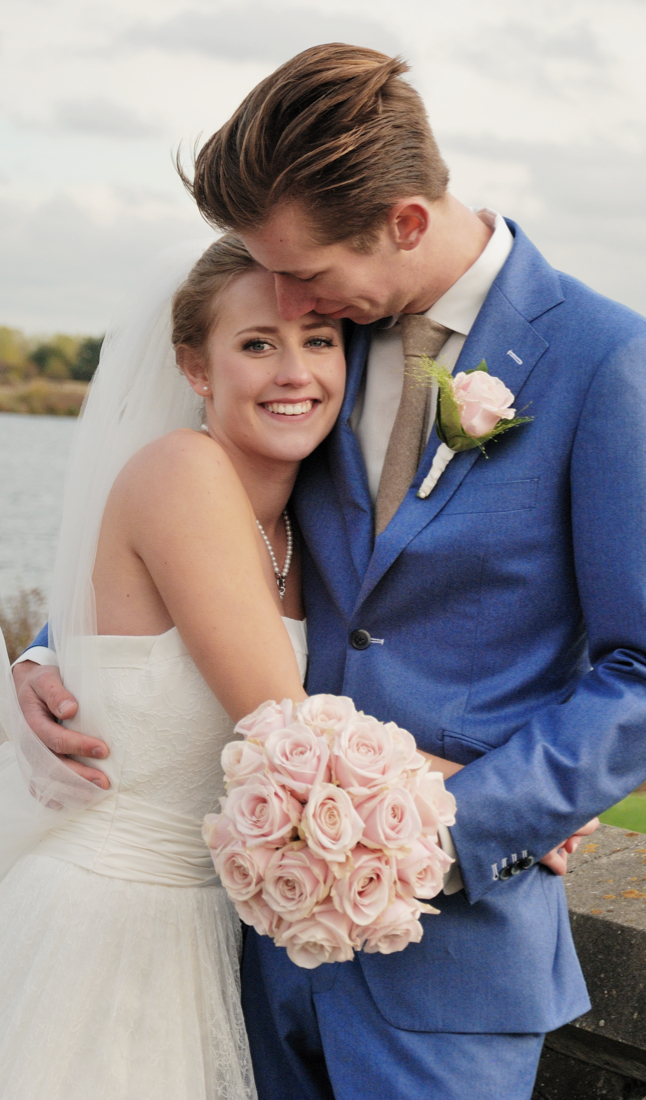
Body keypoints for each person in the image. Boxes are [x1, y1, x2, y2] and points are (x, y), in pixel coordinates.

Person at [13, 44, 646, 1100]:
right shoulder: (322, 349)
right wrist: (56, 650)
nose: (286, 296)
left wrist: (465, 818)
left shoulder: (613, 364)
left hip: (450, 967)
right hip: (246, 950)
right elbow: (218, 530)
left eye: (303, 271)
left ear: (403, 223)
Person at [0, 233, 347, 1098]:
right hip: (98, 926)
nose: (294, 371)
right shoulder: (179, 472)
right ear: (196, 369)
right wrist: (512, 800)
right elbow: (292, 733)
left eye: (320, 340)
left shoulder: (312, 519)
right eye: (257, 343)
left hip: (201, 939)